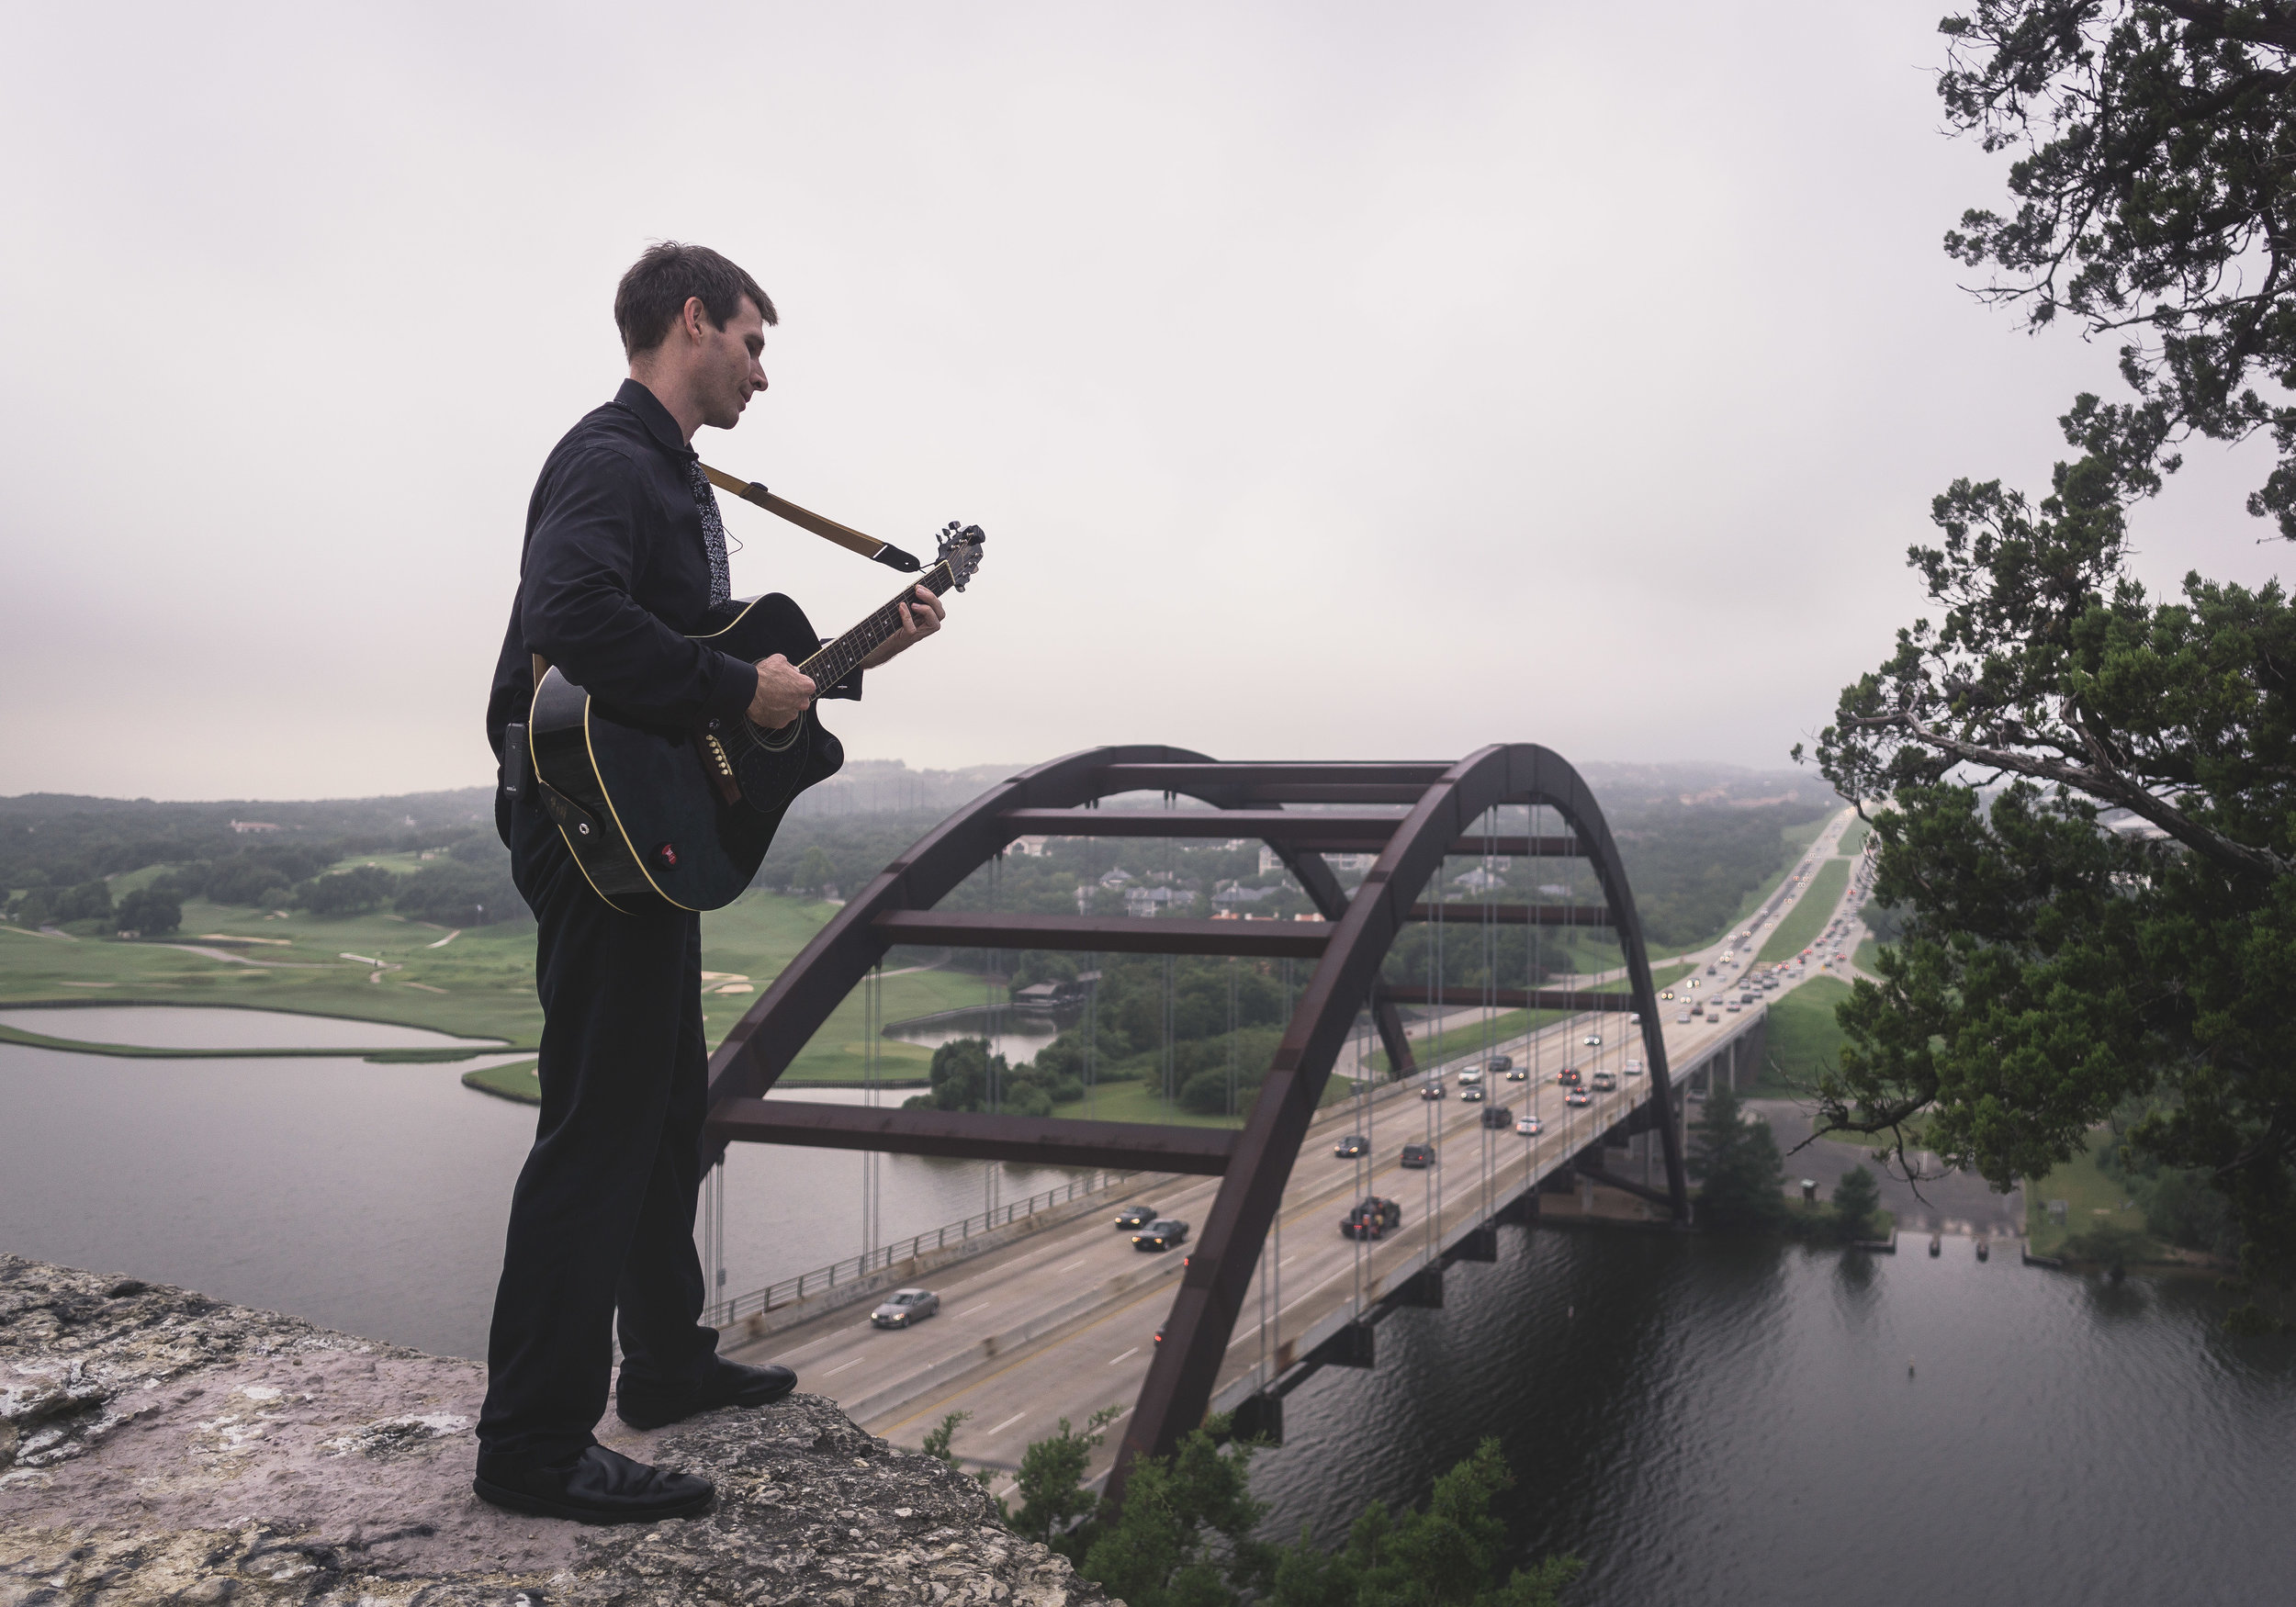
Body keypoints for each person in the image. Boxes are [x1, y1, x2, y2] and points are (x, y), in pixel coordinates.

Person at [474, 242, 945, 1523]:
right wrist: (744, 684)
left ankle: (667, 1362)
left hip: (643, 835)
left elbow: (707, 688)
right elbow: (573, 616)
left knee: (668, 1106)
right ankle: (529, 1441)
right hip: (587, 832)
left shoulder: (678, 481)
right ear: (694, 321)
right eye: (752, 340)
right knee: (597, 1123)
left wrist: (854, 660)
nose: (763, 370)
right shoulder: (612, 458)